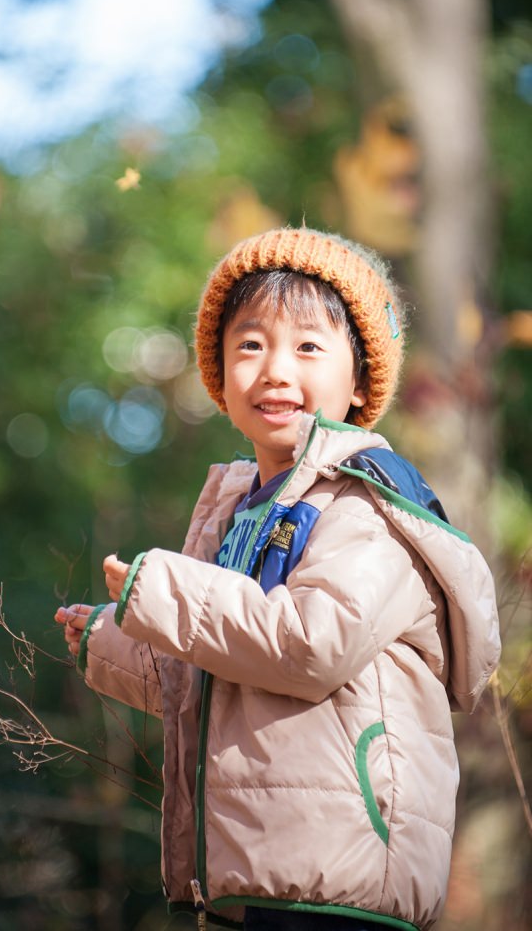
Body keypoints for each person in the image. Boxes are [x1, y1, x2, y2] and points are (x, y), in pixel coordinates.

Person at [55, 228, 500, 931]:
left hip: (343, 868)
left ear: (359, 383)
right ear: (220, 374)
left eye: (308, 347)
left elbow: (308, 644)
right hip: (258, 864)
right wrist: (112, 637)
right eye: (251, 345)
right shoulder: (236, 510)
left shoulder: (366, 503)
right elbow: (219, 668)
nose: (274, 370)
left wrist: (164, 590)